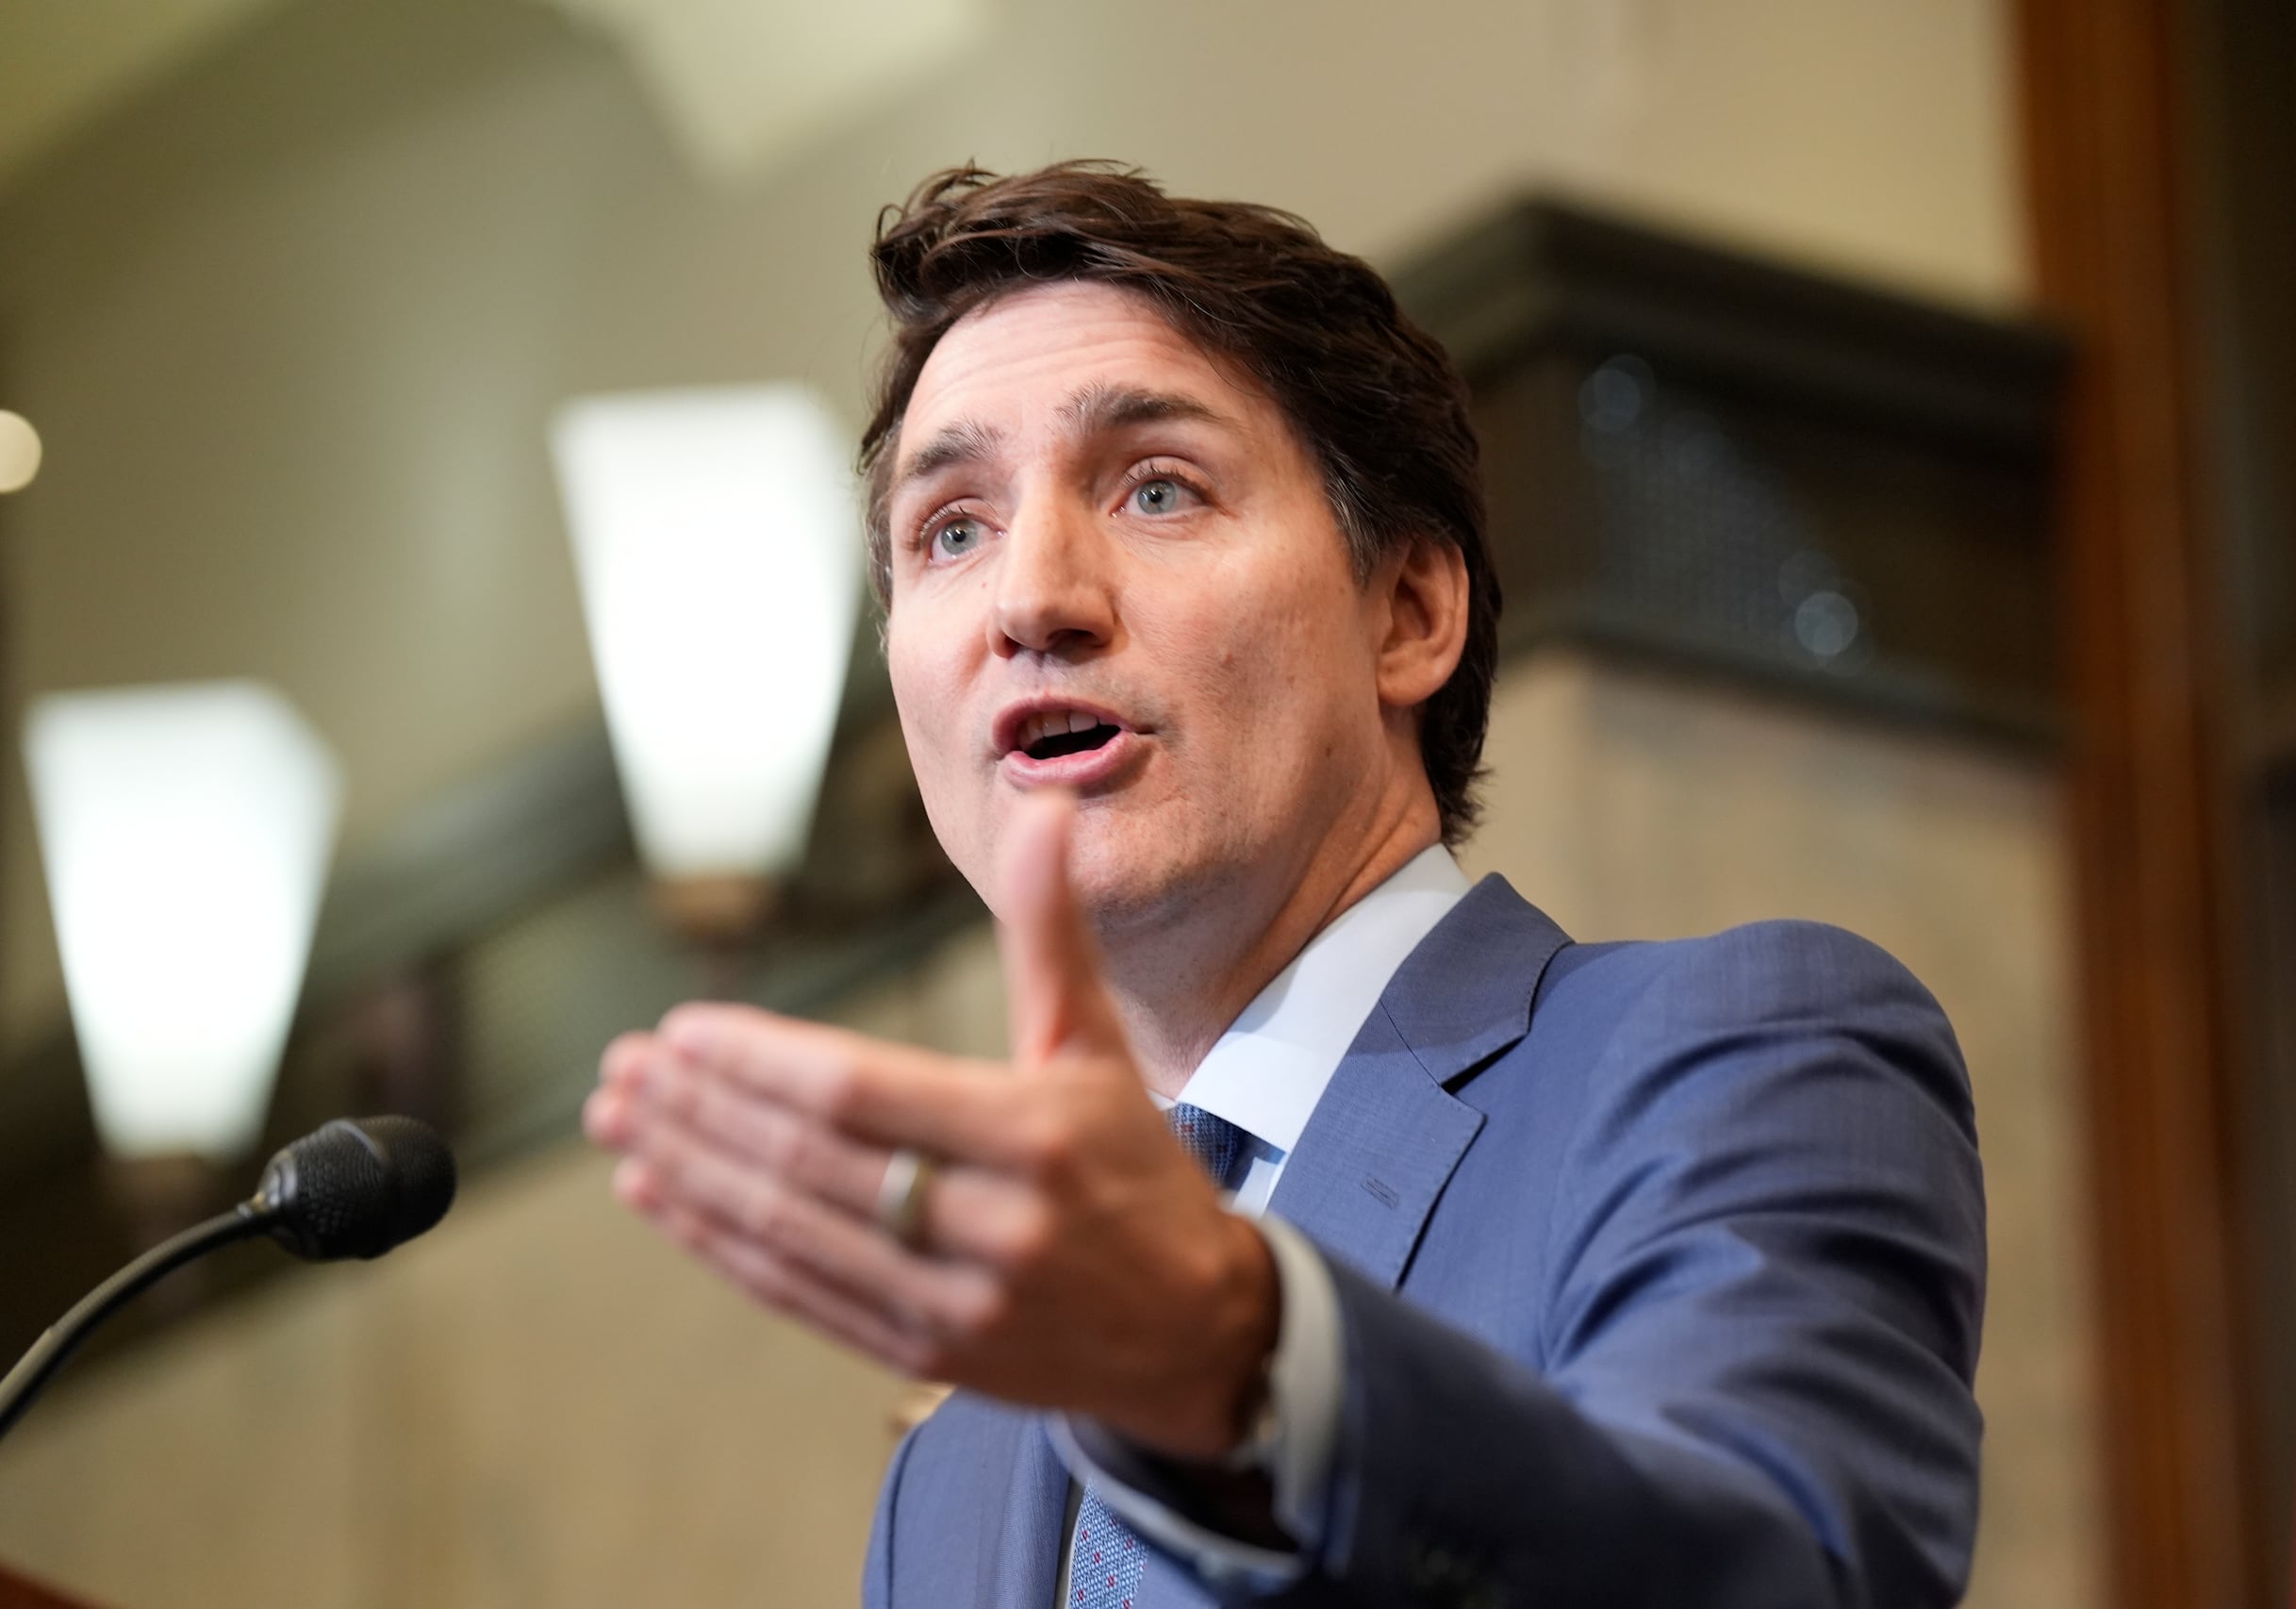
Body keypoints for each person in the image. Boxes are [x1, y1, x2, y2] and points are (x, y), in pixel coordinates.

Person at [584, 162, 1986, 1607]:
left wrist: (1247, 1365)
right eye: (953, 527)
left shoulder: (1733, 1054)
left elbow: (1770, 1570)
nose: (1029, 597)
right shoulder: (954, 1462)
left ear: (1410, 610)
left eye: (1156, 487)